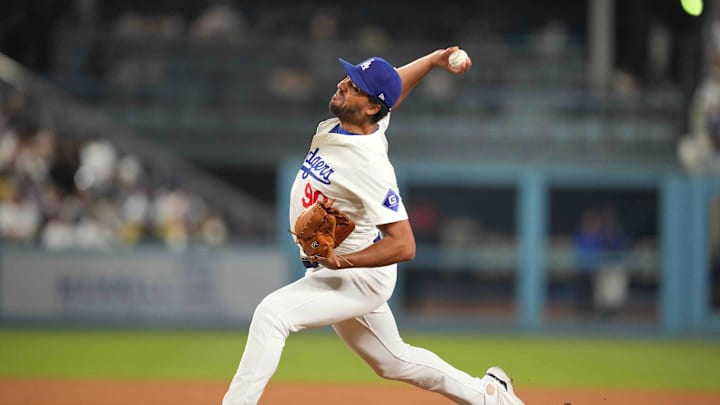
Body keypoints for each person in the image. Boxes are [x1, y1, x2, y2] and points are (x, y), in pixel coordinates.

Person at [222, 46, 525, 405]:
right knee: (393, 361)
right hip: (337, 270)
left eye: (354, 85)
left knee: (272, 315)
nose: (343, 83)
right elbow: (394, 84)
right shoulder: (365, 120)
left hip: (355, 276)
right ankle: (490, 395)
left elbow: (404, 245)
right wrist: (433, 60)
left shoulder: (370, 166)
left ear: (370, 107)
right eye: (349, 77)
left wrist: (343, 262)